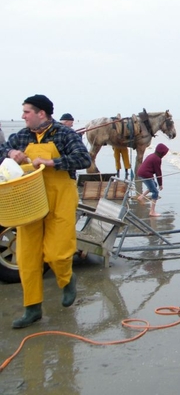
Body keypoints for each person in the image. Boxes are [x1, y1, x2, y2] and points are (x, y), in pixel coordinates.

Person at [0, 95, 92, 329]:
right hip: (28, 199)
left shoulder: (64, 134)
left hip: (59, 197)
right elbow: (2, 150)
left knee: (57, 253)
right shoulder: (20, 136)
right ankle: (32, 309)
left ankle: (67, 278)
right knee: (27, 257)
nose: (23, 116)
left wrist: (53, 163)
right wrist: (10, 153)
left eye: (26, 112)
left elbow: (83, 159)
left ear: (42, 113)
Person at [136, 143, 169, 217]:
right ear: (162, 153)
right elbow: (158, 172)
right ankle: (152, 211)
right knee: (155, 192)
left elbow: (150, 168)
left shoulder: (152, 155)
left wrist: (156, 182)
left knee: (154, 185)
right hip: (145, 175)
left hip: (142, 173)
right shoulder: (157, 159)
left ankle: (141, 197)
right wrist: (160, 184)